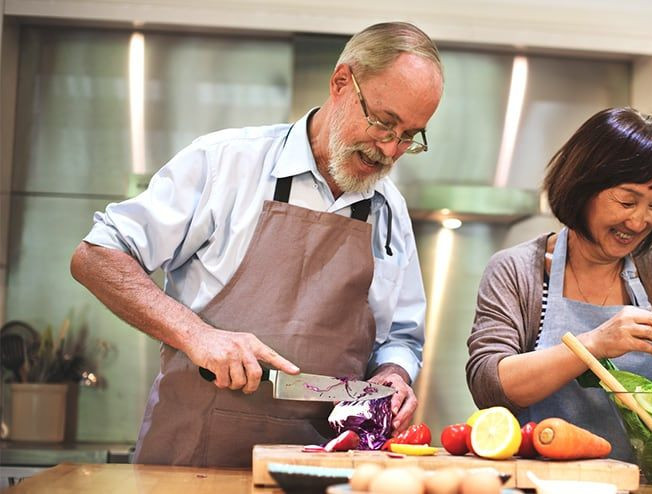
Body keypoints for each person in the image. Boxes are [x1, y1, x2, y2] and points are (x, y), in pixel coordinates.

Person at [70, 22, 443, 467]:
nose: (391, 148)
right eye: (384, 122)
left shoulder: (389, 210)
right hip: (192, 463)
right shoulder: (224, 163)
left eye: (409, 136)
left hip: (318, 467)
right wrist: (197, 335)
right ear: (342, 82)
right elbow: (96, 255)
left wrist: (394, 374)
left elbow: (401, 336)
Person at [465, 107, 652, 461]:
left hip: (651, 484)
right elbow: (490, 384)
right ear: (583, 188)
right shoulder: (517, 271)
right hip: (545, 481)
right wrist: (595, 344)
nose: (640, 220)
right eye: (627, 201)